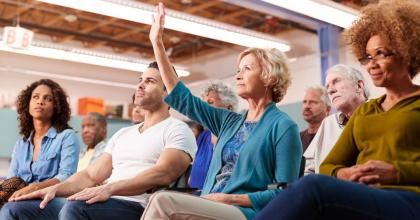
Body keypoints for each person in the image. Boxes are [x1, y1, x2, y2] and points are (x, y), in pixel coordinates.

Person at [254, 1, 420, 219]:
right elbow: (329, 165)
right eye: (368, 57)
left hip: (410, 198)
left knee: (313, 189)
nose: (371, 64)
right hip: (366, 197)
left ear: (406, 51)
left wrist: (397, 172)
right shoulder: (365, 112)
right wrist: (345, 173)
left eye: (381, 54)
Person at [141, 3, 302, 220]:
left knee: (162, 200)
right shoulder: (228, 121)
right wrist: (157, 43)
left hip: (246, 212)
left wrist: (230, 199)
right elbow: (183, 98)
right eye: (238, 69)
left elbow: (286, 193)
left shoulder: (283, 126)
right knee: (160, 200)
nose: (238, 75)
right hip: (210, 205)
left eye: (247, 69)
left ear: (269, 77)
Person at [10, 62, 197, 220]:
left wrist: (110, 188)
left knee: (75, 208)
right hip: (108, 200)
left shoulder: (178, 129)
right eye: (140, 80)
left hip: (140, 207)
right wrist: (55, 189)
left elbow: (163, 173)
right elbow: (91, 175)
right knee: (18, 208)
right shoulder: (124, 134)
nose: (140, 85)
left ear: (168, 92)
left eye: (149, 81)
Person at [0, 79, 80, 218]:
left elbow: (67, 176)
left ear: (56, 106)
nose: (40, 101)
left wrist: (35, 187)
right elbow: (12, 177)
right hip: (22, 199)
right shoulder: (21, 143)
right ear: (28, 104)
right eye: (35, 97)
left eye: (47, 99)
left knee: (10, 209)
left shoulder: (67, 136)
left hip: (54, 198)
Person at [304, 64, 369, 174]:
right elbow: (307, 169)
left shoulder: (379, 115)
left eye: (336, 81)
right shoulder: (328, 123)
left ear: (359, 86)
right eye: (327, 86)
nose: (330, 91)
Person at [189, 81, 238, 190]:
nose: (204, 108)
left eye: (210, 102)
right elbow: (192, 178)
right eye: (203, 103)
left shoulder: (237, 137)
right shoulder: (202, 136)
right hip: (194, 196)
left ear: (229, 108)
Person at [300, 86, 331, 152]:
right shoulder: (297, 138)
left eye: (313, 102)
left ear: (327, 109)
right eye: (304, 102)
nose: (307, 106)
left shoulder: (334, 136)